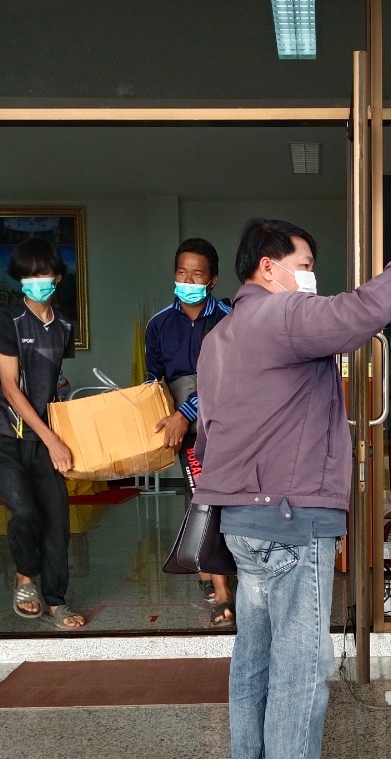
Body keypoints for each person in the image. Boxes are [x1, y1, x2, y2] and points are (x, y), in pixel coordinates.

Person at [194, 199, 391, 759]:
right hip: (291, 517)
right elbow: (358, 312)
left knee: (255, 653)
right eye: (304, 264)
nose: (310, 277)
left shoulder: (220, 337)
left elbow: (208, 433)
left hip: (242, 519)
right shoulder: (281, 315)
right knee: (300, 657)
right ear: (268, 268)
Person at [0, 237, 86, 630]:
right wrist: (52, 439)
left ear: (57, 277)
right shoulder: (7, 319)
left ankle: (56, 602)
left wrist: (62, 434)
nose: (35, 281)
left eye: (42, 273)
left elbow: (51, 383)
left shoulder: (64, 326)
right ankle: (25, 578)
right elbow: (10, 388)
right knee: (24, 510)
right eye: (28, 275)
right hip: (3, 433)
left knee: (56, 517)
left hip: (41, 436)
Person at [145, 238, 235, 625]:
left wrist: (185, 412)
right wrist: (164, 416)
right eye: (182, 273)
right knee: (201, 495)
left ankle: (219, 577)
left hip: (228, 423)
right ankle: (218, 583)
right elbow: (153, 380)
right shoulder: (159, 324)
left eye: (197, 274)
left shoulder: (230, 319)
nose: (188, 280)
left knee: (225, 498)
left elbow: (225, 378)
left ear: (212, 280)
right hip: (187, 432)